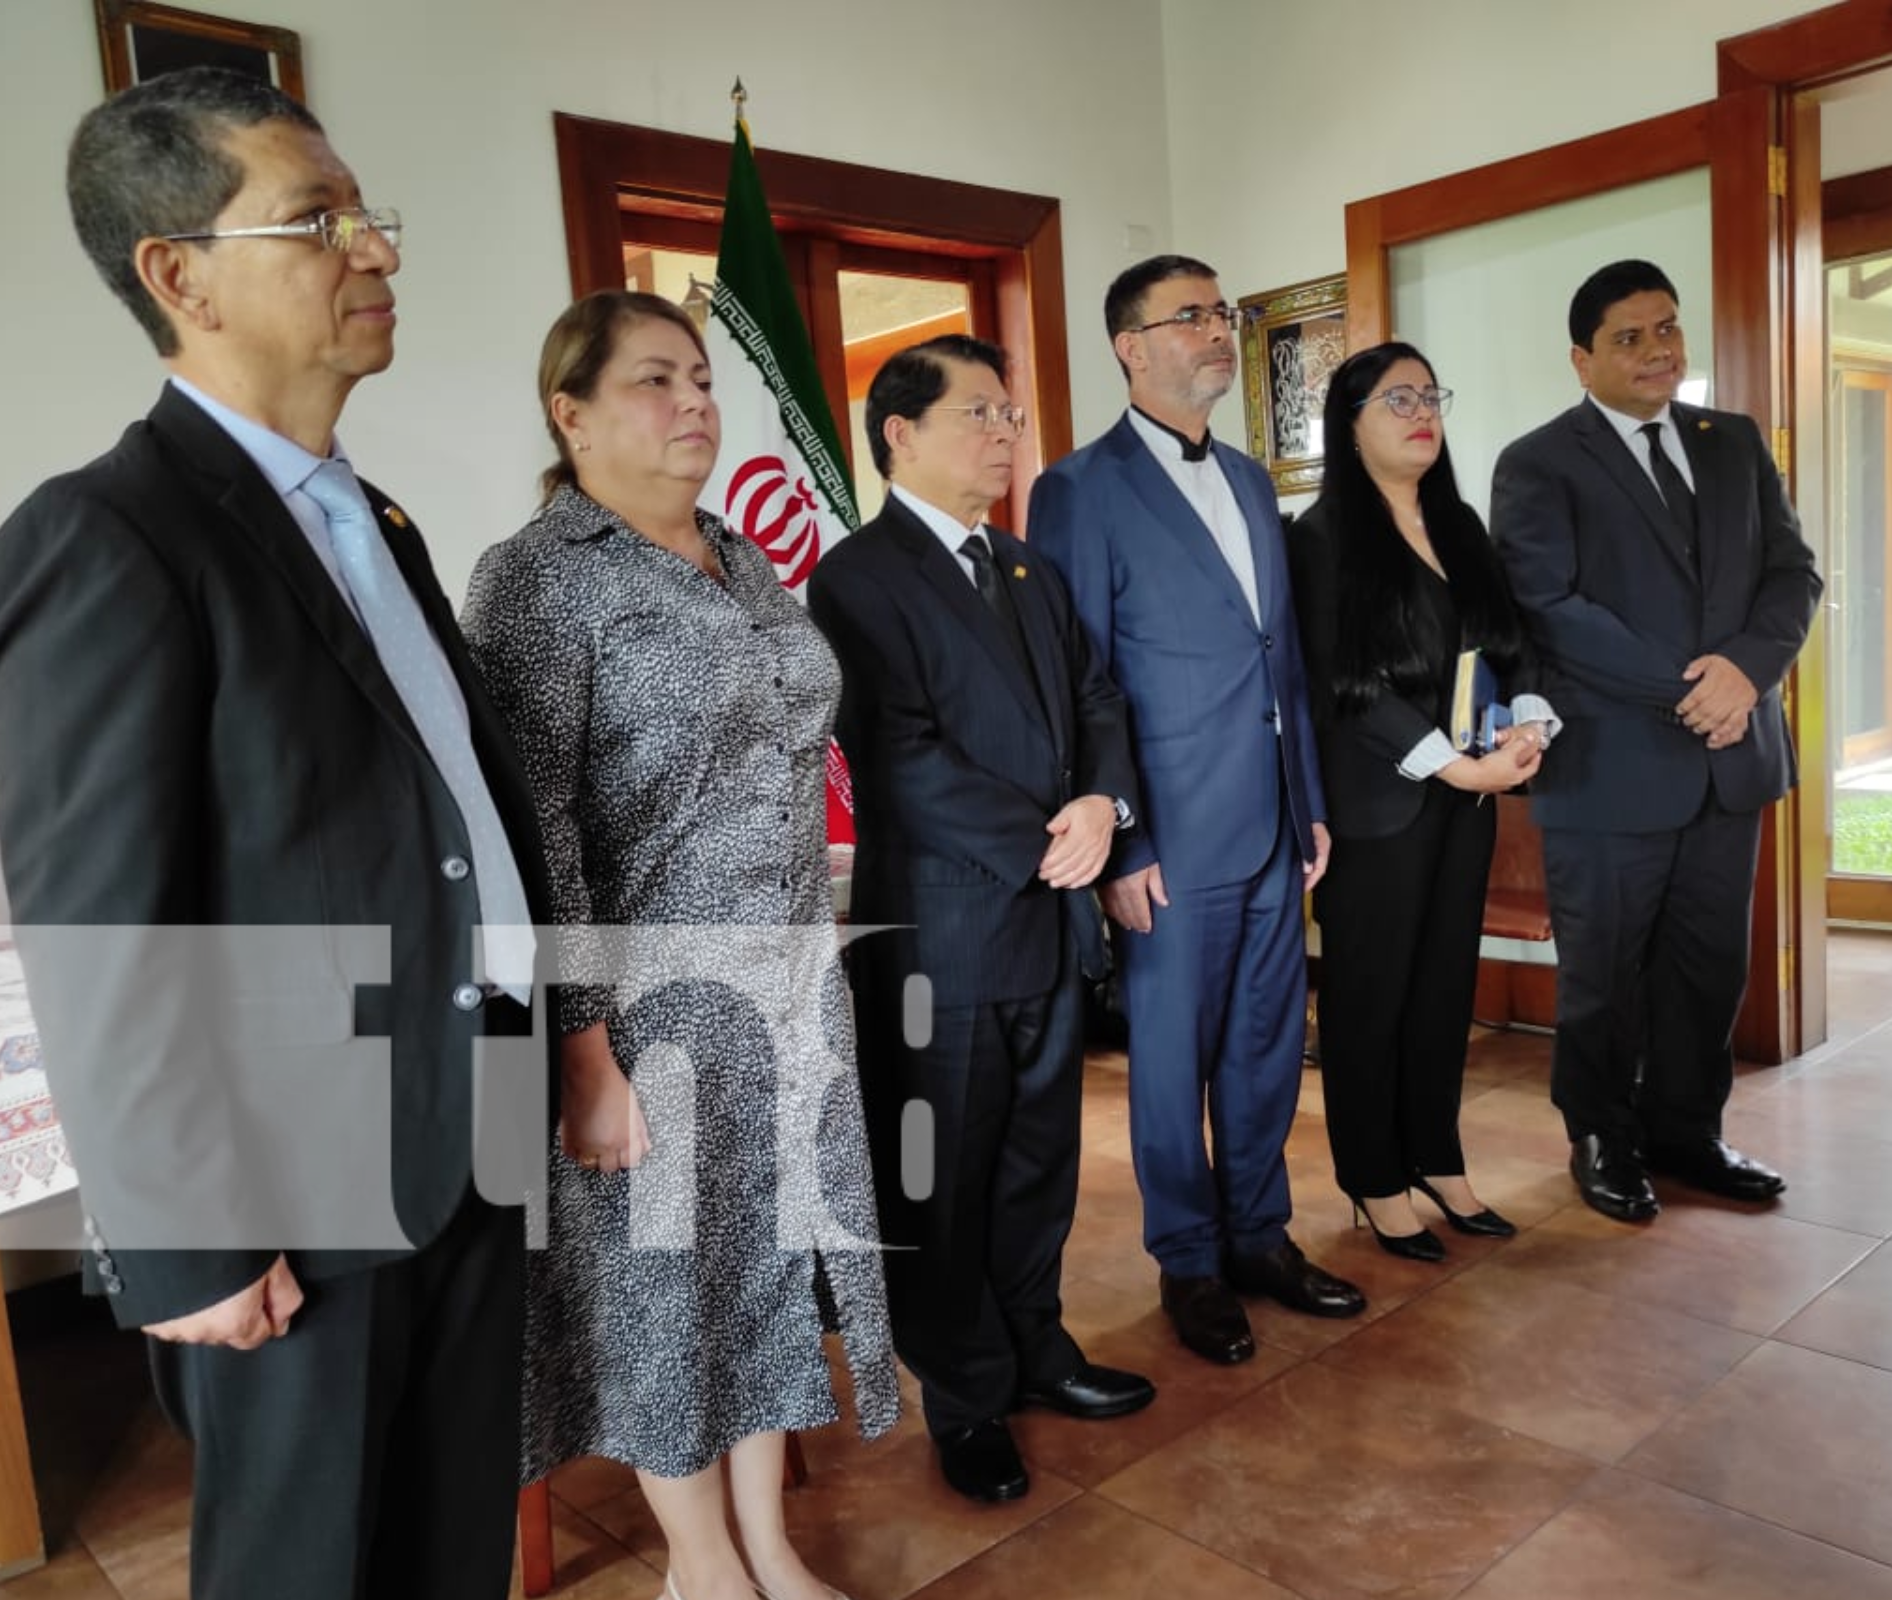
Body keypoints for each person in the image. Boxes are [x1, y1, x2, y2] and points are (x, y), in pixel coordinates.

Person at [0, 67, 550, 1599]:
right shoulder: (109, 534)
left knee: (450, 1543)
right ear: (176, 275)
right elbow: (99, 922)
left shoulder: (375, 522)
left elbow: (449, 812)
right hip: (295, 1187)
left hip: (465, 1120)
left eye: (368, 217)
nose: (376, 251)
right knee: (308, 1566)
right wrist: (189, 1240)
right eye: (320, 221)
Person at [461, 290, 897, 1600]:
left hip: (788, 981)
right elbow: (537, 830)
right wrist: (582, 1048)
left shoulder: (742, 556)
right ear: (571, 410)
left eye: (703, 379)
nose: (696, 403)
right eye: (657, 380)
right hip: (649, 1006)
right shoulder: (537, 578)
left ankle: (769, 1540)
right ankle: (697, 1563)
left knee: (771, 1259)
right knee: (664, 1288)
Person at [807, 335, 1153, 1505]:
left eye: (1010, 413)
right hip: (945, 938)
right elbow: (896, 758)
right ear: (898, 433)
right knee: (938, 1183)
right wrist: (1047, 840)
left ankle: (1036, 1351)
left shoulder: (1022, 567)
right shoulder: (855, 576)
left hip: (1050, 930)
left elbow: (1098, 698)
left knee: (1035, 1163)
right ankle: (963, 1395)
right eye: (980, 414)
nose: (1006, 433)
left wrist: (1104, 804)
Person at [1031, 256, 1364, 1366]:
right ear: (1129, 346)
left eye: (1220, 313)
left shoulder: (1253, 479)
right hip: (1165, 832)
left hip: (1272, 821)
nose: (1216, 330)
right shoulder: (1078, 488)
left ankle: (1258, 1234)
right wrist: (1119, 836)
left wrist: (1306, 799)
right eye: (1191, 316)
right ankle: (1186, 1258)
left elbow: (1286, 665)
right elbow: (1081, 680)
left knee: (1268, 1043)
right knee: (1170, 1056)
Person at [1491, 259, 1821, 1224]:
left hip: (1732, 760)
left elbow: (1791, 575)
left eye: (1668, 328)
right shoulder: (1539, 460)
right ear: (1581, 358)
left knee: (1709, 964)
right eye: (1629, 337)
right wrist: (1696, 687)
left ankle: (1688, 1131)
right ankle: (1601, 1137)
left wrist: (1747, 673)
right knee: (1605, 974)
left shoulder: (1733, 441)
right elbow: (1551, 606)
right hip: (1610, 765)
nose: (1657, 350)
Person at [1289, 342, 1558, 1258]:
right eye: (1396, 397)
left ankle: (1436, 1158)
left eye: (1429, 394)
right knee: (1371, 997)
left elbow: (1507, 645)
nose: (1420, 412)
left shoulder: (1462, 524)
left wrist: (1527, 722)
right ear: (1351, 421)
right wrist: (1453, 765)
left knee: (1445, 990)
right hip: (1381, 805)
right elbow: (1348, 683)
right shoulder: (1321, 538)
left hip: (1468, 801)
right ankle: (1373, 1178)